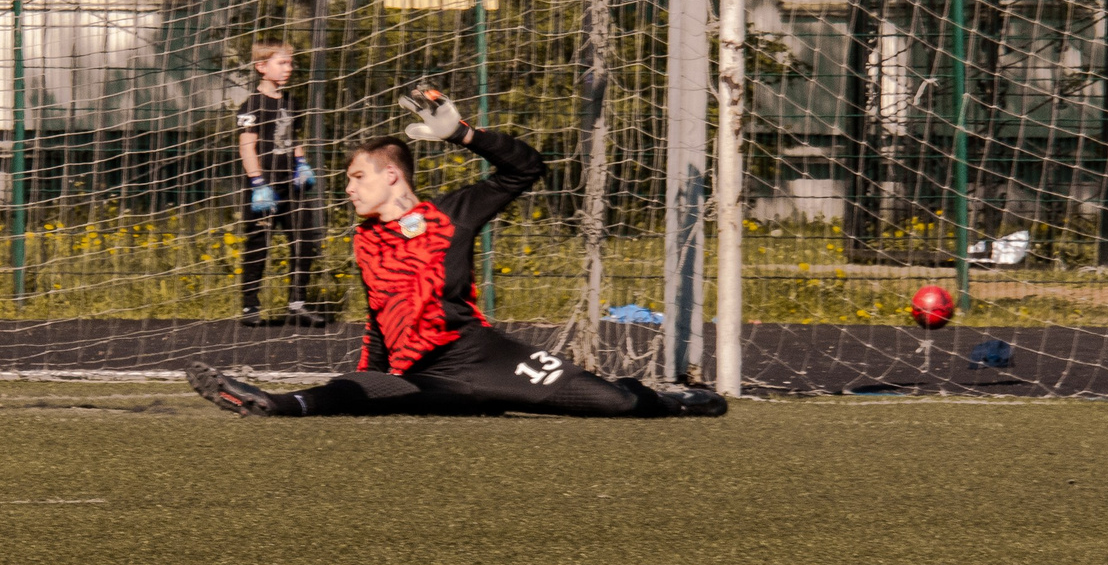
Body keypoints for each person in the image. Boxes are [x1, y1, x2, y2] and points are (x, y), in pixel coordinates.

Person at [188, 87, 726, 418]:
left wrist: (465, 135)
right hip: (422, 379)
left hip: (481, 358)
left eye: (356, 177)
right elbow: (380, 318)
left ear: (391, 175)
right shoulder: (364, 239)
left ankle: (671, 400)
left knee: (616, 405)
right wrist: (369, 376)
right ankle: (273, 404)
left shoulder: (451, 214)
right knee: (350, 392)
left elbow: (526, 168)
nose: (348, 188)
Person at [236, 40, 327, 327]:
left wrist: (301, 163)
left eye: (290, 63)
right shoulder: (251, 104)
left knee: (305, 241)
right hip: (264, 187)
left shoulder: (291, 101)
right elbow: (247, 147)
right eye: (281, 63)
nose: (288, 68)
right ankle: (250, 307)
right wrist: (258, 182)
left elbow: (291, 139)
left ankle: (297, 303)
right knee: (258, 245)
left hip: (292, 186)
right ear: (261, 67)